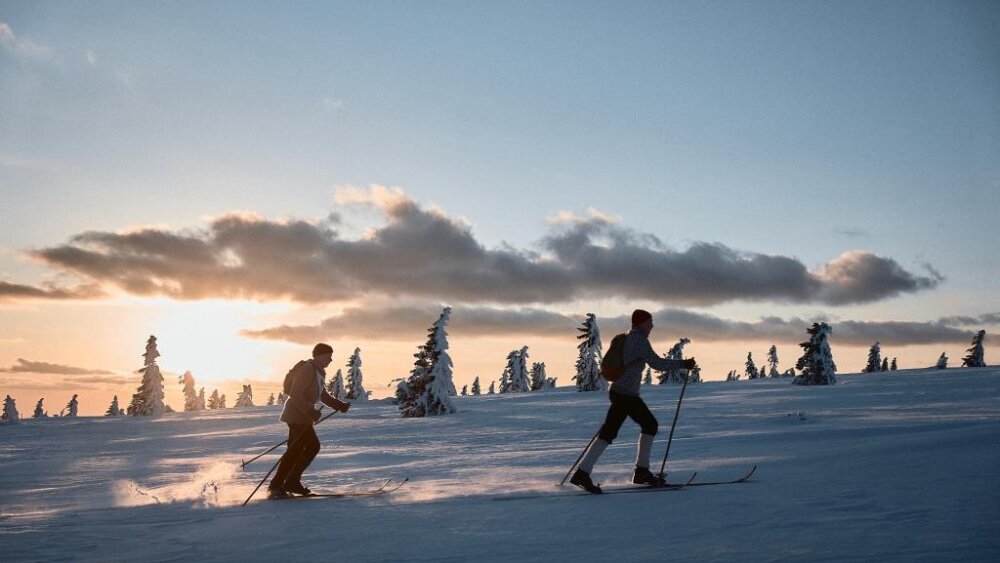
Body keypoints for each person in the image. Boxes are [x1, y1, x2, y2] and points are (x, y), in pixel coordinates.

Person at [571, 309, 697, 493]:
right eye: (649, 322)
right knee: (649, 425)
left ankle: (584, 473)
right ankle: (641, 472)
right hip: (626, 394)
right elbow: (657, 364)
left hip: (620, 392)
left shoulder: (628, 338)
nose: (652, 325)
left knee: (610, 432)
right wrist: (683, 364)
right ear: (640, 323)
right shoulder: (639, 340)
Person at [268, 343, 351, 498]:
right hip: (296, 415)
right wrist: (309, 411)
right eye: (328, 356)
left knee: (295, 450)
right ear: (319, 356)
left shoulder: (318, 372)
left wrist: (338, 405)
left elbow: (322, 394)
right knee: (312, 446)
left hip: (302, 417)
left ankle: (280, 485)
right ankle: (285, 483)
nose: (330, 360)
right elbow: (295, 393)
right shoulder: (308, 369)